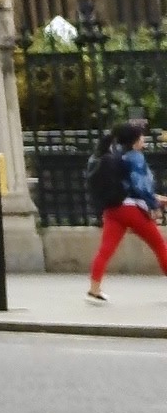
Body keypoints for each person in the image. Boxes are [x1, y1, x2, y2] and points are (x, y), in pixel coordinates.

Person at [86, 117, 165, 301]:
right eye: (142, 136)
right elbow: (141, 187)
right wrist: (154, 205)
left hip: (112, 210)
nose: (144, 139)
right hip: (131, 210)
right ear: (135, 141)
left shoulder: (115, 155)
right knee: (160, 246)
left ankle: (94, 289)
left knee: (105, 250)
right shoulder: (135, 158)